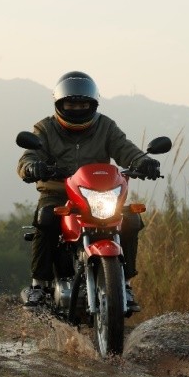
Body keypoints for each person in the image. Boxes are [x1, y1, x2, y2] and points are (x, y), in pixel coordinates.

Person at [17, 71, 160, 311]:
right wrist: (32, 166)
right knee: (47, 217)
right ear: (60, 104)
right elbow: (27, 157)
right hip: (59, 191)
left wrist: (144, 161)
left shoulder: (105, 126)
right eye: (71, 103)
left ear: (93, 104)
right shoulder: (45, 128)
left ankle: (123, 283)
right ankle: (39, 285)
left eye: (83, 103)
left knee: (131, 219)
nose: (77, 108)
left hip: (99, 192)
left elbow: (126, 149)